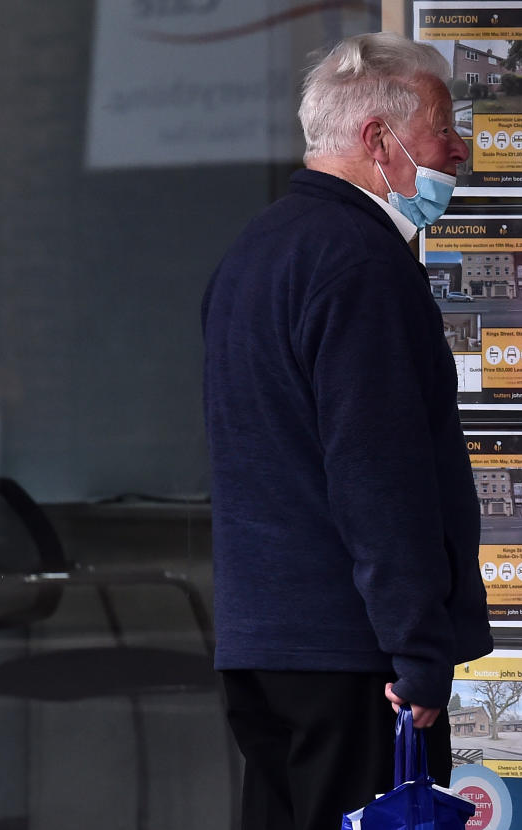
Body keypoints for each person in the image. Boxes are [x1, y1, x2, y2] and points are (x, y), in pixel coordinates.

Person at [200, 31, 492, 830]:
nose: (457, 150)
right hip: (355, 654)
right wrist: (419, 652)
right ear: (378, 139)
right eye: (442, 127)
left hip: (265, 644)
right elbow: (378, 474)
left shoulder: (256, 252)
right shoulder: (361, 262)